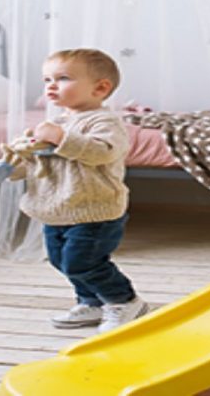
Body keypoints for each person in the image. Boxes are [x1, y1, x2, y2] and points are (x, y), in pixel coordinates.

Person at [17, 48, 147, 332]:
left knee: (82, 263)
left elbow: (101, 152)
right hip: (60, 208)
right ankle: (91, 301)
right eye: (47, 79)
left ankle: (124, 300)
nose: (51, 85)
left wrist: (60, 138)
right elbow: (40, 165)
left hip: (95, 209)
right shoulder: (56, 123)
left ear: (100, 88)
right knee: (60, 260)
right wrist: (16, 160)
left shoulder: (105, 122)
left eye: (62, 78)